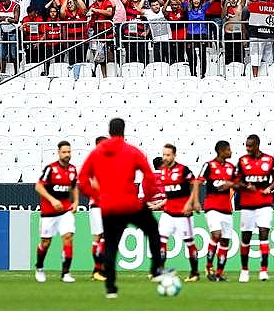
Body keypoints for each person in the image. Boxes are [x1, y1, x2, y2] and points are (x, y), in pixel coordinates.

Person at [77, 118, 165, 299]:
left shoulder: (96, 153)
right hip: (131, 204)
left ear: (109, 131)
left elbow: (82, 180)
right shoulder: (132, 151)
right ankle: (156, 269)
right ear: (124, 130)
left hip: (109, 206)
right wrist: (146, 200)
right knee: (153, 230)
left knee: (110, 246)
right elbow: (149, 177)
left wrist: (97, 198)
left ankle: (110, 288)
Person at [148, 143, 200, 282]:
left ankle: (194, 272)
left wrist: (192, 202)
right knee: (161, 240)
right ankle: (160, 270)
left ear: (174, 155)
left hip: (183, 213)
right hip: (168, 212)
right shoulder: (163, 170)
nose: (165, 157)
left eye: (168, 155)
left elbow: (195, 183)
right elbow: (170, 195)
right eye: (164, 154)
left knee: (189, 242)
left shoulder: (183, 170)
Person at [34, 141, 79, 283]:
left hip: (65, 211)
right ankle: (39, 267)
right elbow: (38, 187)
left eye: (69, 152)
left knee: (68, 237)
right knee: (45, 242)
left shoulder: (72, 169)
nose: (67, 155)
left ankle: (65, 273)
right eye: (64, 152)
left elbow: (74, 187)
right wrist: (52, 200)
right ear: (58, 153)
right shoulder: (51, 169)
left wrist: (76, 201)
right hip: (48, 212)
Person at [236, 134, 274, 282]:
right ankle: (244, 270)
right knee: (246, 237)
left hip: (264, 203)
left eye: (250, 146)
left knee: (263, 233)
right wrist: (245, 186)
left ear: (257, 145)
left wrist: (269, 188)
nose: (248, 148)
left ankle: (264, 270)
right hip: (247, 204)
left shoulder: (269, 160)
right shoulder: (242, 161)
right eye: (246, 146)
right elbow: (236, 182)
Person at [197, 140, 236, 282]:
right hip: (212, 206)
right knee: (216, 234)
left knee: (225, 241)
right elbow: (197, 182)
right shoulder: (208, 165)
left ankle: (219, 272)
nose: (231, 152)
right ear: (221, 151)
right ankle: (208, 266)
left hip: (226, 209)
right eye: (228, 150)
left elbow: (238, 184)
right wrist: (195, 201)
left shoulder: (232, 167)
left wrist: (231, 184)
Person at [85, 136, 108, 281]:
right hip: (98, 205)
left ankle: (98, 270)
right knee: (102, 236)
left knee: (100, 237)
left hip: (101, 205)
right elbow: (93, 184)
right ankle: (98, 270)